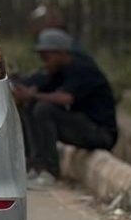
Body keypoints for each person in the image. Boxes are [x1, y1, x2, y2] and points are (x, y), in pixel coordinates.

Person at [11, 28, 118, 189]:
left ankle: (50, 171)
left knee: (44, 109)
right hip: (83, 127)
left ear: (60, 53)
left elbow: (65, 98)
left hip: (101, 133)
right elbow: (39, 85)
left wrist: (32, 95)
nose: (45, 63)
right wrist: (23, 92)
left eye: (47, 58)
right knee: (29, 106)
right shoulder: (59, 71)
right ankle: (35, 166)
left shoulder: (82, 68)